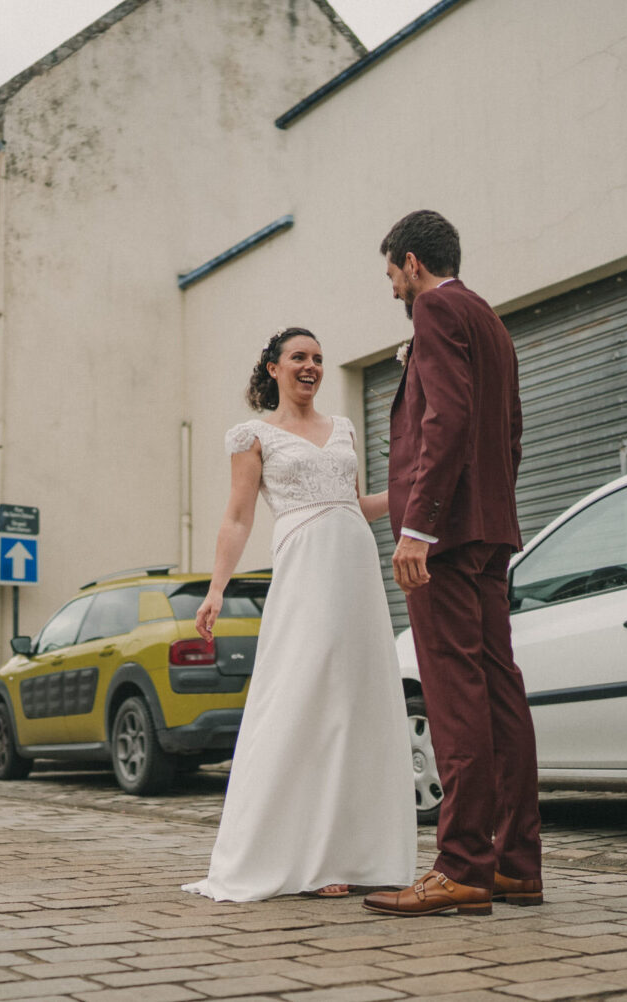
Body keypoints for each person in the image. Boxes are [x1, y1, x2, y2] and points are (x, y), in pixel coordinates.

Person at [183, 327, 416, 901]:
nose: (310, 366)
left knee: (355, 703)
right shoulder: (252, 435)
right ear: (273, 368)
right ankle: (302, 856)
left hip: (356, 568)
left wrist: (413, 487)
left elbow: (354, 503)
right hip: (303, 569)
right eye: (298, 358)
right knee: (302, 697)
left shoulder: (344, 429)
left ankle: (354, 853)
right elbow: (237, 518)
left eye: (317, 358)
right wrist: (216, 589)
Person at [362, 210, 543, 918]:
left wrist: (418, 527)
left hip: (444, 540)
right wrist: (479, 510)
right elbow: (511, 433)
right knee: (499, 693)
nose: (394, 292)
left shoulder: (435, 307)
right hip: (489, 532)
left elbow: (448, 418)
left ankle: (463, 864)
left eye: (391, 277)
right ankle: (516, 865)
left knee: (454, 694)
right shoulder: (489, 321)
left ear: (412, 263)